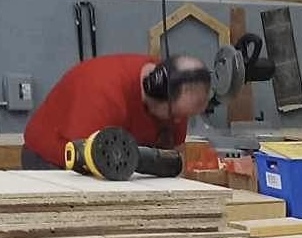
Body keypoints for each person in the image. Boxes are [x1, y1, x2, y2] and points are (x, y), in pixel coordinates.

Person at [22, 54, 211, 171]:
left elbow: (174, 160)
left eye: (185, 116)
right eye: (174, 115)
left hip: (116, 158)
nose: (178, 121)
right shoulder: (102, 93)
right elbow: (86, 168)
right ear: (154, 91)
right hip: (56, 160)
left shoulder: (175, 97)